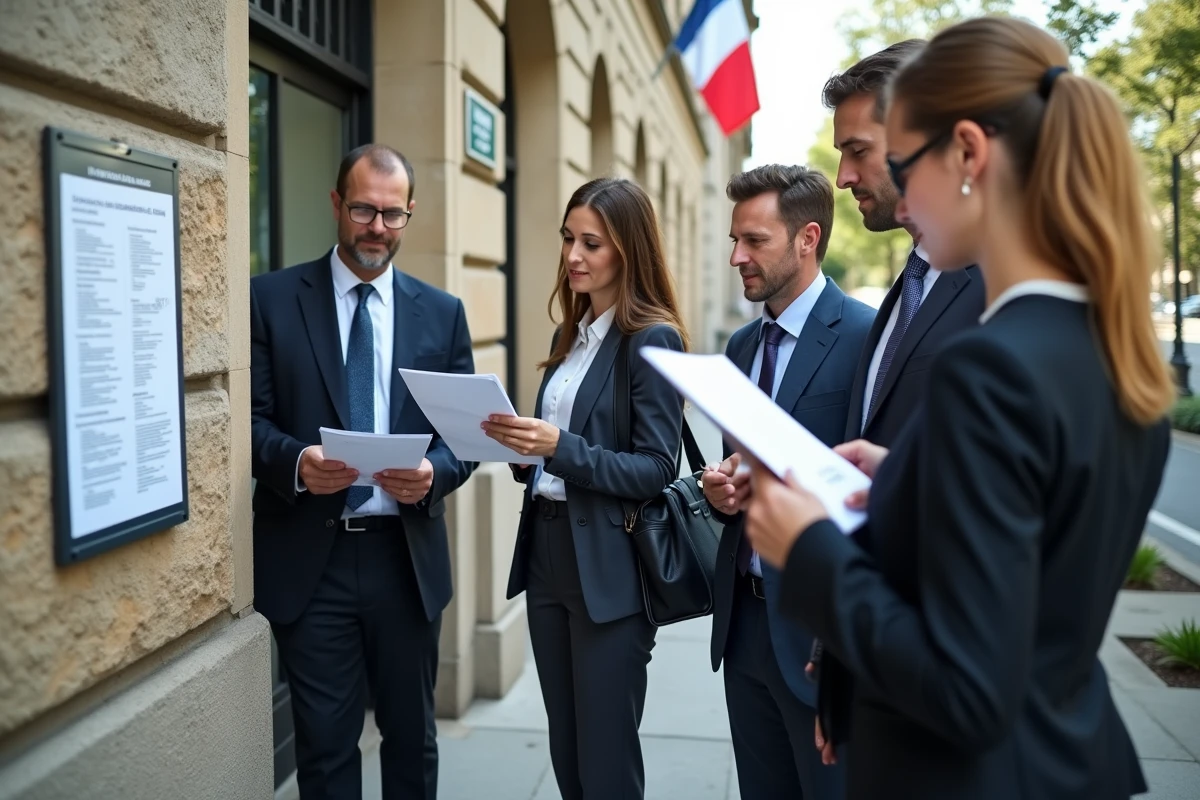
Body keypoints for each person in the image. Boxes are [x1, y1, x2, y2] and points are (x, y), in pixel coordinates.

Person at [742, 17, 1176, 800]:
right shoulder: (1110, 348)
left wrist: (806, 546)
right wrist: (907, 474)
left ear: (969, 154)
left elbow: (968, 688)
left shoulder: (990, 365)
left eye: (905, 161)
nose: (898, 194)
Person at [250, 144, 476, 800]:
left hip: (404, 562)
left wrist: (435, 473)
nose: (377, 227)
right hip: (309, 564)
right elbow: (254, 421)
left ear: (409, 214)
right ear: (335, 205)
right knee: (324, 751)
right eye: (363, 209)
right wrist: (295, 462)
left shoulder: (442, 313)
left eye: (392, 214)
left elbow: (461, 440)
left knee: (412, 743)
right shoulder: (270, 300)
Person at [481, 177, 689, 800]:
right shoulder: (567, 336)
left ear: (627, 250)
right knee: (567, 750)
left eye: (591, 243)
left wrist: (558, 448)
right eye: (569, 239)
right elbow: (561, 454)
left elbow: (656, 469)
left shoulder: (652, 338)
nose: (573, 255)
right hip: (547, 556)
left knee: (605, 763)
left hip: (609, 569)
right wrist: (525, 454)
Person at [810, 38, 988, 758]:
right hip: (880, 672)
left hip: (946, 712)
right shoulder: (905, 289)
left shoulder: (1003, 293)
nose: (844, 174)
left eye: (859, 150)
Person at [700, 165, 874, 800]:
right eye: (734, 240)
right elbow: (741, 475)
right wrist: (723, 493)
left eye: (754, 241)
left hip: (819, 631)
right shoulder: (742, 346)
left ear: (807, 237)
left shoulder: (863, 335)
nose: (736, 257)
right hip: (744, 626)